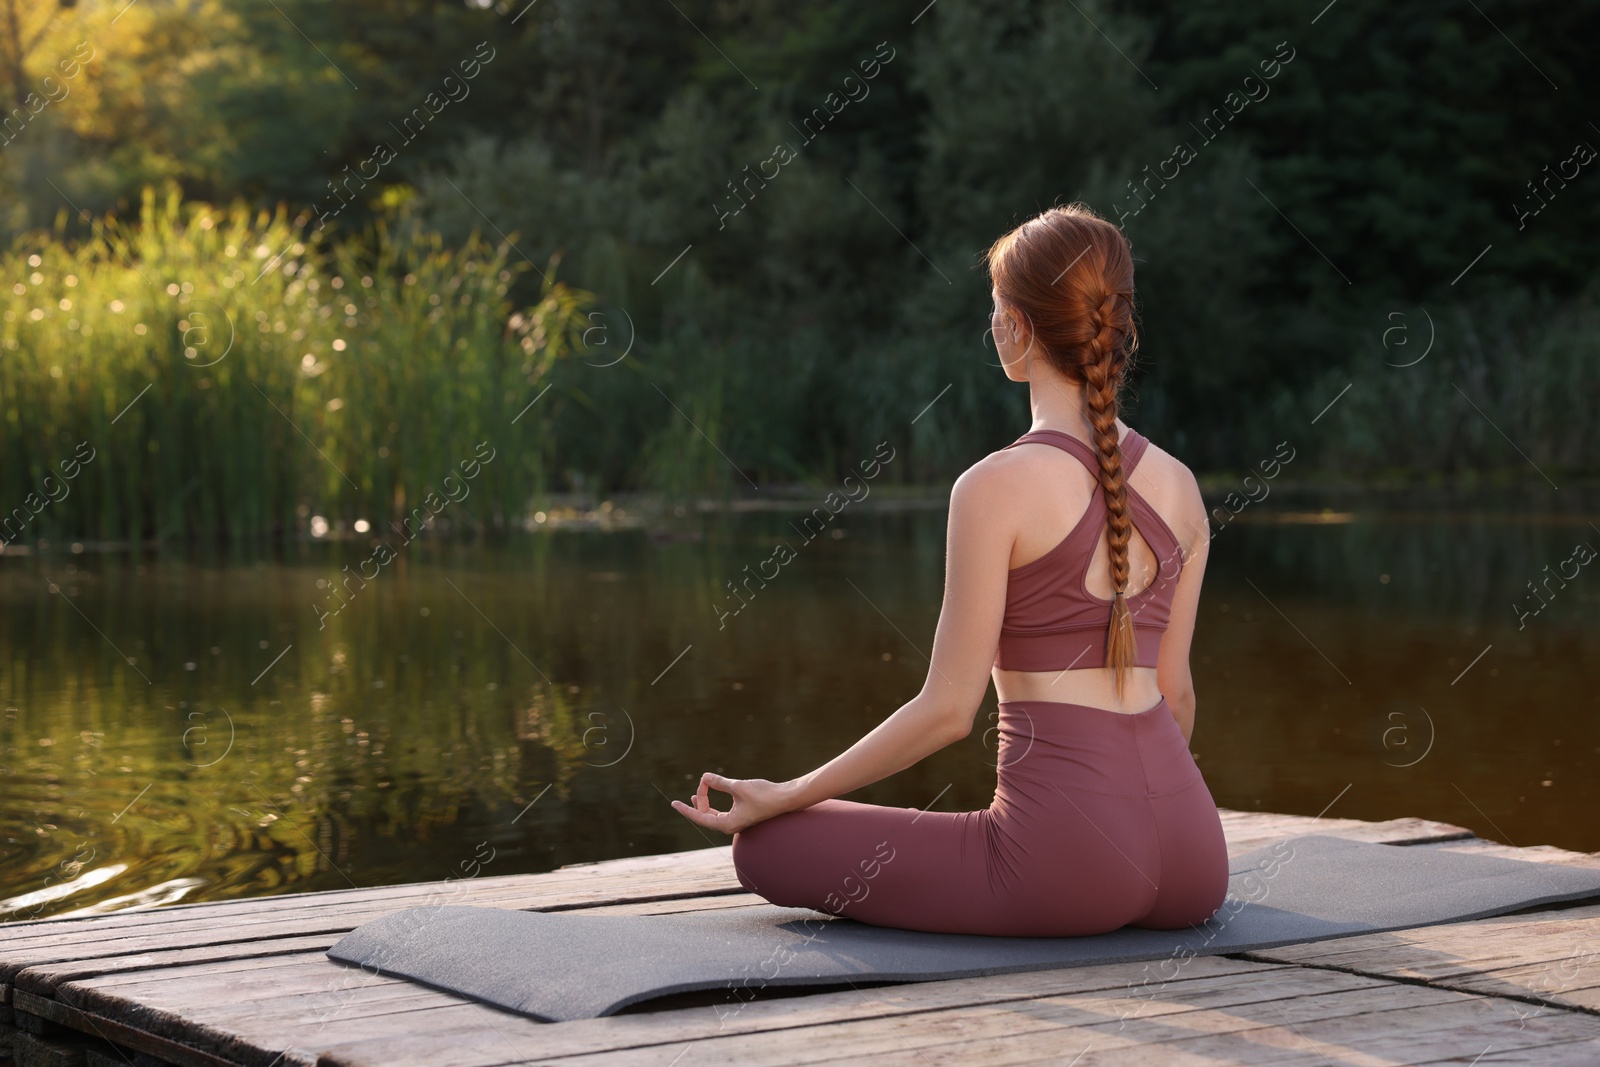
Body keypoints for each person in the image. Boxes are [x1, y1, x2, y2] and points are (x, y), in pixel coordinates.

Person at [669, 203, 1228, 937]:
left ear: (1018, 326)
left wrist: (790, 792)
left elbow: (946, 711)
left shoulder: (992, 486)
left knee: (768, 845)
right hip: (1195, 861)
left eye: (995, 307)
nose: (991, 324)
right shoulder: (1181, 485)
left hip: (1065, 868)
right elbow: (1176, 696)